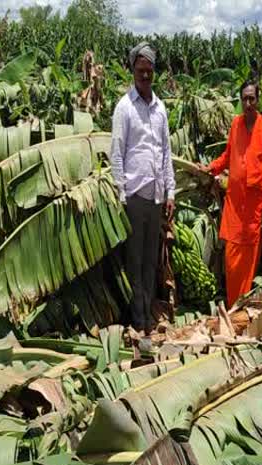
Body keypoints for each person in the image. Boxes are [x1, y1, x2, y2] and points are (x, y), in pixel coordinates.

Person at [110, 41, 175, 334]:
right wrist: (122, 194)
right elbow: (116, 153)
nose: (145, 76)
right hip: (134, 195)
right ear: (133, 71)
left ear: (154, 71)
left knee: (150, 260)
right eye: (140, 71)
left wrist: (170, 191)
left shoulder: (160, 108)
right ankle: (139, 319)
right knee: (134, 260)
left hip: (156, 195)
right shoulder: (124, 108)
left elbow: (165, 152)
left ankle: (147, 312)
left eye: (149, 71)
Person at [198, 80, 262, 307]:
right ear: (240, 101)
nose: (248, 103)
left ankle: (242, 309)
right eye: (244, 99)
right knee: (231, 262)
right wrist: (210, 168)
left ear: (258, 100)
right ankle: (234, 306)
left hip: (254, 207)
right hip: (234, 204)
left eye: (252, 98)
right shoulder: (236, 125)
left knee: (248, 263)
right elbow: (226, 156)